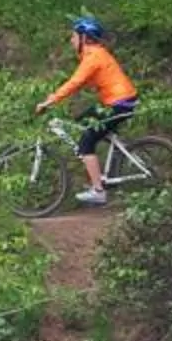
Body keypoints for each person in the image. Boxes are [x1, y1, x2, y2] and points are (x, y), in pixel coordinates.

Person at [36, 17, 140, 205]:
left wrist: (50, 101)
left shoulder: (93, 56)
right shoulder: (95, 54)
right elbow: (81, 82)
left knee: (86, 140)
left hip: (118, 103)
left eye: (74, 36)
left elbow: (75, 82)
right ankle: (99, 176)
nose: (71, 40)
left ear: (85, 38)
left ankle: (99, 190)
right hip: (118, 101)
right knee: (82, 123)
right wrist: (57, 97)